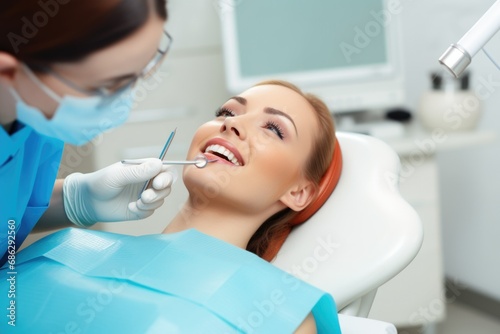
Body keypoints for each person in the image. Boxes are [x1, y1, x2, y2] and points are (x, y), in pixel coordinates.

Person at [0, 80, 343, 333]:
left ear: (299, 192)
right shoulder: (65, 245)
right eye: (226, 112)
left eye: (273, 128)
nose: (231, 123)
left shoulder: (281, 313)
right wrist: (75, 201)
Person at [0, 0, 176, 266]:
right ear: (7, 73)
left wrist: (77, 199)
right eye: (107, 86)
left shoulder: (33, 117)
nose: (126, 102)